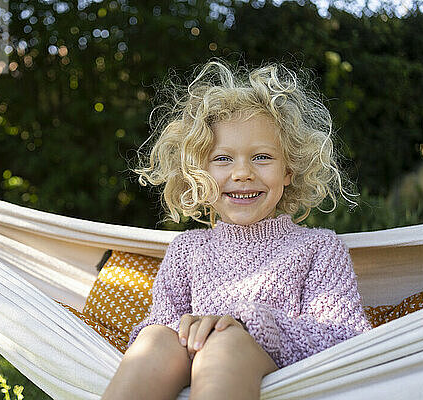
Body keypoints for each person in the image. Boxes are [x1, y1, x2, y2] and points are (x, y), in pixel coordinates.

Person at [101, 59, 373, 400]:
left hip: (276, 370)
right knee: (155, 338)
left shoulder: (318, 248)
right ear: (199, 175)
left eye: (261, 157)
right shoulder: (188, 250)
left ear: (289, 171)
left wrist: (248, 322)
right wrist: (183, 332)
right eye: (222, 159)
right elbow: (163, 322)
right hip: (187, 361)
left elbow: (343, 336)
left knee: (225, 343)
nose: (242, 172)